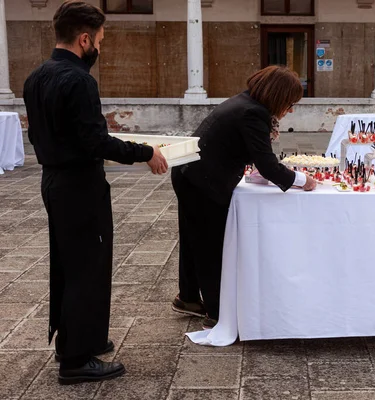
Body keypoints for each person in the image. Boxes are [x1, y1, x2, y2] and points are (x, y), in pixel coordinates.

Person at [22, 1, 168, 385]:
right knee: (88, 267)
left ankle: (78, 338)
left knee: (69, 264)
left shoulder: (36, 77)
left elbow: (37, 135)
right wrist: (146, 153)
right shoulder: (79, 81)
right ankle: (76, 360)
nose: (100, 48)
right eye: (99, 40)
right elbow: (95, 141)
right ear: (84, 39)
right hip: (79, 186)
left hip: (53, 181)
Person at [170, 66, 317, 327]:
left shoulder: (244, 102)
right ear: (279, 96)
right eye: (291, 103)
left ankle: (189, 298)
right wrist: (303, 180)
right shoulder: (253, 113)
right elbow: (268, 165)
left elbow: (254, 155)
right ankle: (217, 313)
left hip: (189, 173)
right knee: (209, 245)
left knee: (194, 239)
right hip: (202, 181)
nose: (291, 109)